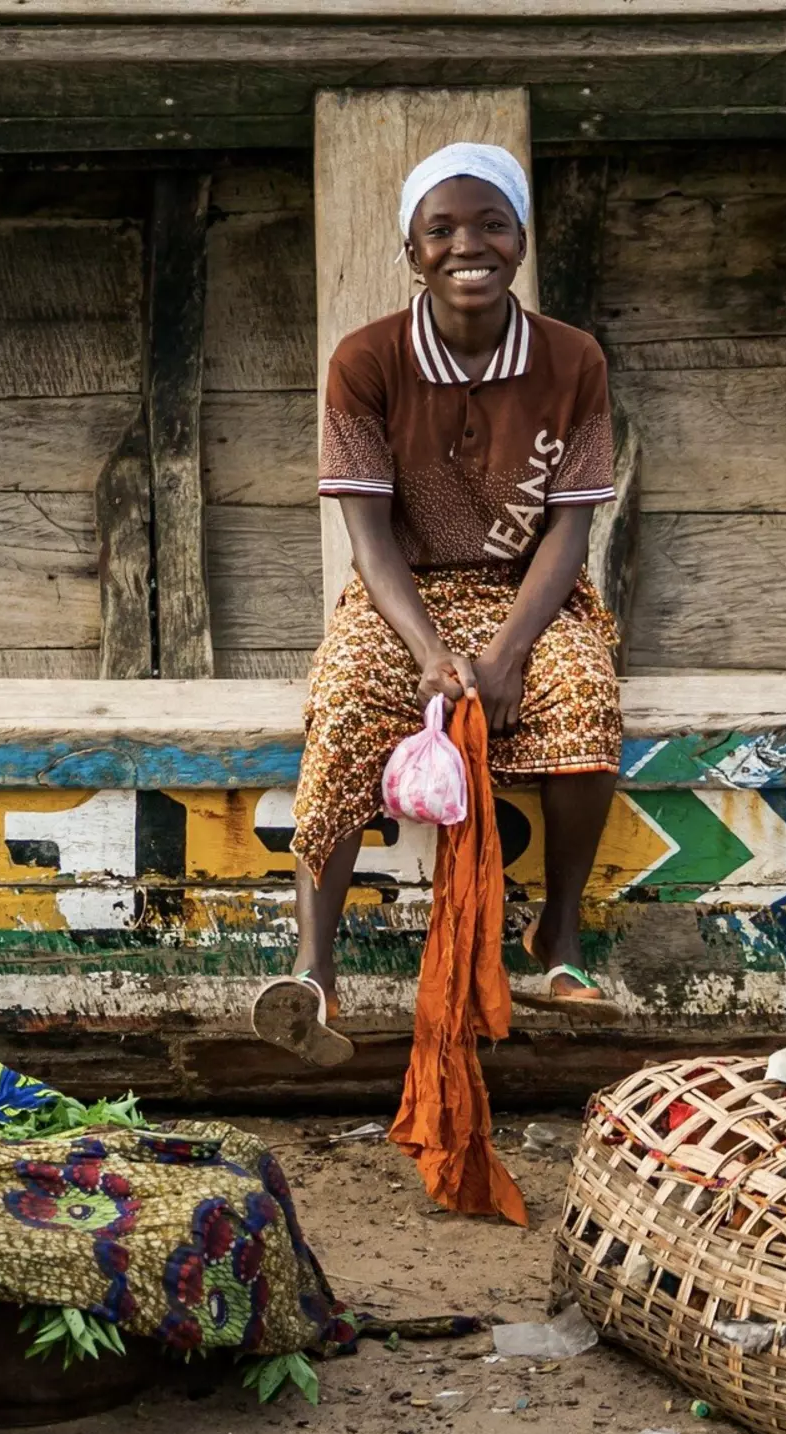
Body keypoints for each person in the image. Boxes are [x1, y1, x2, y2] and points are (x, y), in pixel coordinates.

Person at [252, 142, 624, 1067]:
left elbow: (569, 534)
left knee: (584, 699)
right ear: (413, 251)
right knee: (341, 709)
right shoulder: (367, 360)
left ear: (522, 241)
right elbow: (369, 538)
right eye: (443, 229)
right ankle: (314, 972)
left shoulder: (572, 359)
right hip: (401, 599)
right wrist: (426, 648)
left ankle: (560, 938)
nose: (471, 244)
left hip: (531, 599)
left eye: (492, 224)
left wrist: (502, 656)